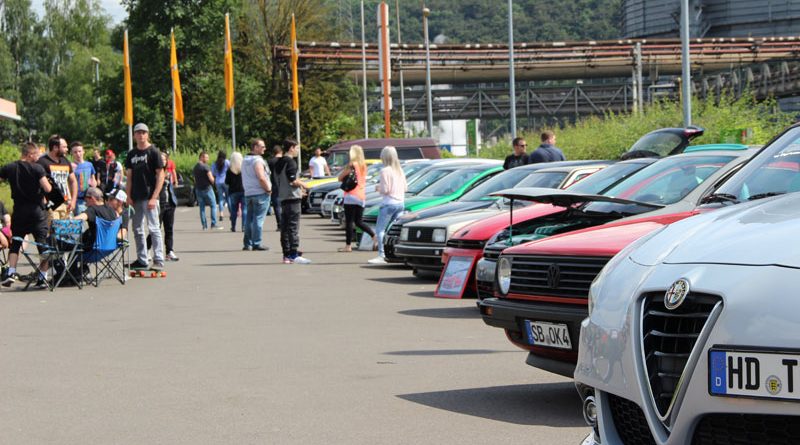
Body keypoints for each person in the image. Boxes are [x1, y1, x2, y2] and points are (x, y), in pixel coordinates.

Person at [0, 142, 53, 288]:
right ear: (30, 154)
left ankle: (11, 273)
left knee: (16, 243)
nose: (38, 157)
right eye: (36, 154)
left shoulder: (10, 167)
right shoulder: (37, 168)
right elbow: (47, 188)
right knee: (42, 243)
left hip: (19, 211)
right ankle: (43, 277)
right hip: (36, 212)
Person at [125, 122, 166, 271]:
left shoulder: (153, 151)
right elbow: (129, 177)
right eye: (138, 132)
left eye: (144, 132)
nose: (141, 135)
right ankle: (142, 259)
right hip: (136, 197)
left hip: (150, 197)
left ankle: (159, 259)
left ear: (147, 134)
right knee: (137, 228)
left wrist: (155, 196)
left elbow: (160, 175)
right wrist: (128, 196)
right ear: (134, 135)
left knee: (154, 228)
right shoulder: (131, 154)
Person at [368, 146, 407, 264]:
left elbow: (386, 190)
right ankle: (397, 253)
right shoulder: (400, 170)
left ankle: (381, 254)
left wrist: (378, 188)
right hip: (400, 203)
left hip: (388, 203)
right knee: (396, 230)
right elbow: (406, 188)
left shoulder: (385, 170)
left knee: (380, 229)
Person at [275, 138, 311, 264]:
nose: (298, 150)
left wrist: (298, 189)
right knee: (293, 227)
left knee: (285, 228)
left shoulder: (279, 162)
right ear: (291, 148)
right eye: (297, 148)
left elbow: (283, 181)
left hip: (283, 197)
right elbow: (292, 180)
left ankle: (286, 254)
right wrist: (305, 185)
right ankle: (294, 254)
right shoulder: (291, 162)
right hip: (292, 199)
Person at [337, 145, 375, 253]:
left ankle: (348, 246)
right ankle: (373, 235)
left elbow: (339, 178)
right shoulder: (364, 165)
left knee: (349, 221)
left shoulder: (351, 165)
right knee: (358, 221)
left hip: (351, 195)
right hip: (361, 195)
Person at [146, 152, 179, 260]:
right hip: (159, 204)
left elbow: (172, 186)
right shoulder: (154, 173)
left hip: (169, 203)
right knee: (155, 228)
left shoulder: (167, 172)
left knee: (169, 229)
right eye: (161, 159)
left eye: (165, 159)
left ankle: (169, 251)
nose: (163, 161)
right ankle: (147, 250)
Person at [38, 134, 78, 219]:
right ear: (55, 147)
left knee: (66, 230)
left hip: (66, 203)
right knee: (53, 230)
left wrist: (73, 201)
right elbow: (37, 184)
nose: (67, 150)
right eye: (64, 147)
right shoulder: (42, 162)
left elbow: (73, 181)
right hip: (52, 203)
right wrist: (45, 203)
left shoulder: (65, 161)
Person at [241, 139, 271, 251]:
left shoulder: (245, 160)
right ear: (255, 147)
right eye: (262, 146)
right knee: (258, 219)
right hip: (260, 193)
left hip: (249, 193)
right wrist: (268, 189)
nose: (264, 148)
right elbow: (261, 177)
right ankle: (257, 243)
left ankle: (247, 243)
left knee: (249, 219)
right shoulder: (257, 161)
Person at [193, 151, 222, 230]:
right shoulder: (206, 167)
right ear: (201, 157)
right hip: (207, 189)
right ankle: (213, 223)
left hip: (198, 189)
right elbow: (211, 179)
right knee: (213, 205)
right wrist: (214, 181)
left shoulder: (195, 167)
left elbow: (195, 179)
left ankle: (204, 226)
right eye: (206, 157)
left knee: (202, 208)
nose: (208, 159)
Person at [70, 141, 97, 215]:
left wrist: (94, 184)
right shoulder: (70, 166)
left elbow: (93, 179)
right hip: (77, 200)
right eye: (75, 152)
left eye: (79, 151)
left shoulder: (89, 165)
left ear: (83, 152)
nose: (78, 154)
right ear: (72, 153)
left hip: (90, 199)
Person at [225, 151, 246, 232]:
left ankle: (233, 226)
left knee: (234, 210)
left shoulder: (229, 170)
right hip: (243, 190)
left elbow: (227, 182)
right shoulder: (243, 168)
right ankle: (244, 226)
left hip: (233, 191)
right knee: (245, 209)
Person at [266, 144, 283, 228]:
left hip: (274, 184)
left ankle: (279, 224)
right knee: (285, 204)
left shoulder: (270, 161)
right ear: (281, 152)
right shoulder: (284, 161)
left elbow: (266, 173)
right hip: (284, 184)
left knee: (276, 205)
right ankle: (285, 223)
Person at [211, 151, 230, 219]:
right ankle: (231, 213)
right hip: (226, 181)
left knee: (220, 198)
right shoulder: (227, 162)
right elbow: (230, 170)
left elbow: (213, 173)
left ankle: (221, 214)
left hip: (218, 182)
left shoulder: (214, 163)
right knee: (228, 198)